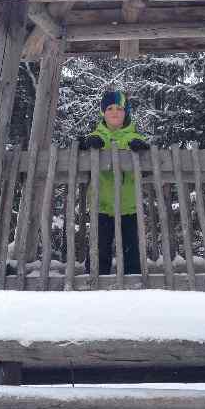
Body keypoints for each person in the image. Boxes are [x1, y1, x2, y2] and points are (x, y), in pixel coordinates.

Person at [77, 90, 150, 276]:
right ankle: (95, 289)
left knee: (132, 252)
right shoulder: (96, 137)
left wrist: (142, 149)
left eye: (119, 108)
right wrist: (85, 146)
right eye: (109, 108)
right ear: (103, 112)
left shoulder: (135, 137)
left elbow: (147, 161)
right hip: (102, 205)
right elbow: (82, 161)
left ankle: (134, 290)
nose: (115, 112)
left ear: (126, 112)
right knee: (99, 252)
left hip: (130, 206)